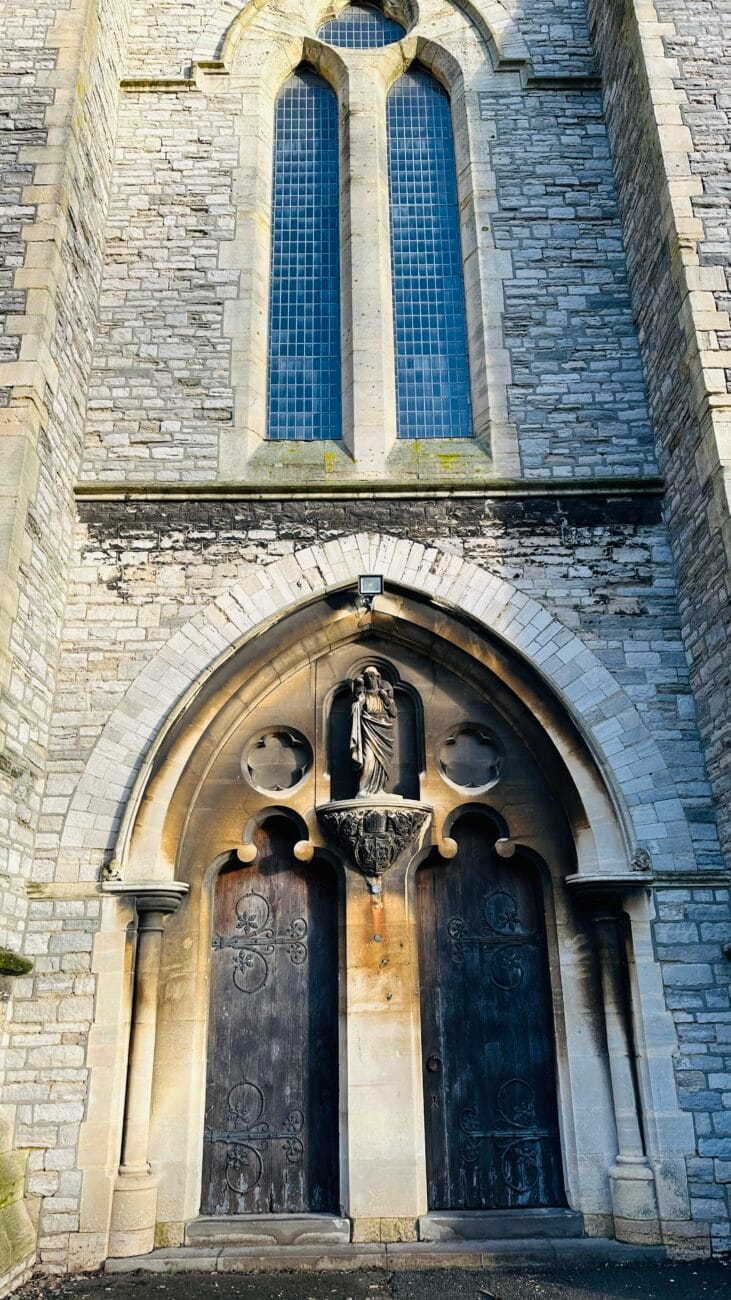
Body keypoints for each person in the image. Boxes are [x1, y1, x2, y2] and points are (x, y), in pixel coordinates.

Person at [350, 666, 396, 796]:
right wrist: (359, 703)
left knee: (381, 762)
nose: (370, 679)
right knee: (369, 758)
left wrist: (386, 699)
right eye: (367, 676)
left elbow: (393, 713)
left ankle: (379, 789)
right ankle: (363, 789)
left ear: (378, 677)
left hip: (384, 730)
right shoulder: (363, 695)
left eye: (372, 676)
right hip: (368, 729)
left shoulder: (384, 694)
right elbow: (355, 709)